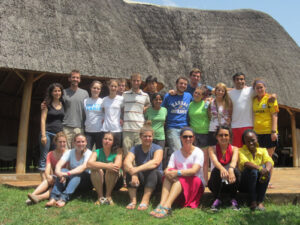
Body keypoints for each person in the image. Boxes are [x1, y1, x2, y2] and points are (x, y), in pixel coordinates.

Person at [151, 127, 205, 218]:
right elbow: (168, 169)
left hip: (195, 183)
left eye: (190, 136)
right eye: (185, 137)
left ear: (194, 138)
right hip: (179, 184)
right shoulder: (175, 153)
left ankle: (167, 206)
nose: (188, 139)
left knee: (178, 178)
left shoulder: (198, 152)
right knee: (168, 175)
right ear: (180, 138)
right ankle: (162, 204)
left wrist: (177, 172)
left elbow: (194, 171)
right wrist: (167, 172)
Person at [46, 134, 92, 207]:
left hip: (86, 182)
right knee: (63, 169)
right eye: (78, 142)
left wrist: (66, 174)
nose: (80, 144)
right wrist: (59, 173)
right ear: (74, 143)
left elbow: (82, 168)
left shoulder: (89, 153)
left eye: (83, 141)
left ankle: (63, 198)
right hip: (73, 178)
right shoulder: (70, 152)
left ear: (86, 143)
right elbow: (59, 164)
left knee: (77, 174)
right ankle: (53, 197)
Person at [124, 126, 163, 210]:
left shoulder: (158, 148)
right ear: (140, 137)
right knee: (129, 171)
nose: (147, 138)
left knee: (152, 171)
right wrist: (134, 173)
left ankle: (145, 201)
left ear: (153, 137)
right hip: (141, 180)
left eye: (150, 136)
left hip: (156, 181)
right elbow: (126, 162)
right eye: (145, 136)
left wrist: (136, 170)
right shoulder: (135, 148)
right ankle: (133, 201)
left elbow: (155, 163)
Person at [27, 132, 68, 204]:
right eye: (60, 142)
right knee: (48, 179)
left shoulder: (68, 153)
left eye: (64, 142)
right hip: (54, 177)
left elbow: (68, 169)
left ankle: (38, 198)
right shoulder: (50, 154)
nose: (62, 144)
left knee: (55, 186)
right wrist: (48, 176)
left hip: (64, 178)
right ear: (55, 142)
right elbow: (47, 169)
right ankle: (33, 195)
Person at [238, 129, 274, 211]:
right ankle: (253, 201)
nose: (250, 143)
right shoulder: (241, 151)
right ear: (244, 142)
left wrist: (266, 170)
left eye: (253, 140)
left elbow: (269, 161)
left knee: (266, 171)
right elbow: (245, 163)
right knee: (253, 171)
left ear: (257, 139)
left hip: (258, 182)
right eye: (247, 141)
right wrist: (260, 168)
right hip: (245, 184)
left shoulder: (263, 150)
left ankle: (260, 201)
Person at [207, 126, 240, 211]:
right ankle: (217, 199)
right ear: (217, 137)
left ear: (230, 137)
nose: (223, 137)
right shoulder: (212, 148)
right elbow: (215, 161)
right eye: (220, 135)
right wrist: (222, 169)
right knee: (216, 170)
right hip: (217, 181)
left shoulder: (235, 149)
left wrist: (231, 169)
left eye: (226, 135)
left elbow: (234, 161)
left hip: (230, 180)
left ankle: (233, 198)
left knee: (236, 172)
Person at [162, 77, 193, 164]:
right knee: (177, 151)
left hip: (185, 128)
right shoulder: (168, 96)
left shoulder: (189, 96)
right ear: (176, 84)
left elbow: (197, 102)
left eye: (185, 84)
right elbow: (162, 109)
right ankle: (179, 172)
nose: (183, 85)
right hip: (172, 128)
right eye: (181, 83)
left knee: (187, 150)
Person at [87, 132, 123, 205]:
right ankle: (100, 197)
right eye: (105, 139)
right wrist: (107, 166)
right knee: (95, 170)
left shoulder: (118, 152)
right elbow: (89, 164)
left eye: (110, 139)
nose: (107, 141)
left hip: (115, 181)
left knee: (111, 169)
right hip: (99, 181)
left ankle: (108, 196)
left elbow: (117, 166)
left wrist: (100, 165)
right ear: (102, 140)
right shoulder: (97, 152)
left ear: (113, 142)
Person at [39, 83, 65, 177]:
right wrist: (43, 135)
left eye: (59, 91)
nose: (57, 93)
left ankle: (52, 181)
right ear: (51, 92)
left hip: (58, 135)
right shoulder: (47, 104)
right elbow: (43, 119)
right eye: (55, 91)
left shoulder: (63, 103)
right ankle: (43, 181)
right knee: (44, 157)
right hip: (47, 133)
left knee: (55, 157)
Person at [122, 73, 150, 155]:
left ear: (141, 82)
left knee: (139, 153)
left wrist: (145, 108)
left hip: (139, 129)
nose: (136, 82)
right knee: (127, 153)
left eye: (138, 81)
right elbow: (121, 108)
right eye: (134, 80)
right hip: (127, 129)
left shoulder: (145, 95)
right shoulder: (125, 94)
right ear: (131, 81)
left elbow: (148, 105)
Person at [188, 86, 210, 183]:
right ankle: (194, 180)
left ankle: (205, 181)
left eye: (199, 94)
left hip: (204, 133)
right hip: (193, 135)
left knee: (205, 160)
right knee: (194, 158)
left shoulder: (205, 104)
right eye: (195, 93)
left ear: (202, 96)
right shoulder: (190, 105)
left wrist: (210, 99)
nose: (196, 95)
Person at [62, 70, 89, 148]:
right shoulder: (63, 93)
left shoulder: (85, 93)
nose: (75, 79)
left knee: (78, 151)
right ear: (69, 79)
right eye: (73, 77)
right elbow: (58, 106)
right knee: (66, 151)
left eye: (77, 78)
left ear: (80, 80)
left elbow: (89, 109)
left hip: (79, 127)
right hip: (66, 127)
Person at [101, 79, 124, 151]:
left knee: (116, 151)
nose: (113, 88)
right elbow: (102, 111)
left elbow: (124, 111)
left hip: (117, 129)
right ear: (108, 86)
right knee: (106, 150)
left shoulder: (121, 99)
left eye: (115, 86)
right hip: (106, 128)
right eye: (112, 86)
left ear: (117, 88)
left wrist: (122, 118)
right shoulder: (104, 99)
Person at [84, 80, 103, 150]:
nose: (96, 90)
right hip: (88, 131)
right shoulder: (85, 101)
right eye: (94, 88)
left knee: (99, 153)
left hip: (100, 131)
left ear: (100, 90)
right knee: (87, 152)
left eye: (98, 88)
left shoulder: (102, 101)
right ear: (91, 88)